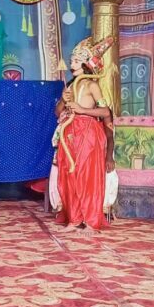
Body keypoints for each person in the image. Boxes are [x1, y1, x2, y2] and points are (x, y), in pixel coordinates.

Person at [54, 36, 115, 236]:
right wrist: (63, 101)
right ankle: (74, 219)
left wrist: (82, 110)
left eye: (75, 61)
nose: (71, 64)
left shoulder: (92, 85)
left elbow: (105, 112)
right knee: (69, 176)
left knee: (87, 177)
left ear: (85, 63)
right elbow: (57, 113)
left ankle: (91, 222)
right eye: (71, 61)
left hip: (88, 134)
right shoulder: (70, 86)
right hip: (70, 133)